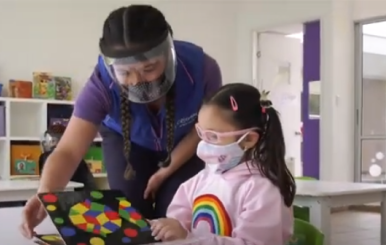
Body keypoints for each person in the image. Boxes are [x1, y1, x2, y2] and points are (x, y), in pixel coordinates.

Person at [20, 4, 222, 239]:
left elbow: (204, 130)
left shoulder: (203, 70)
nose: (137, 81)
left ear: (168, 54)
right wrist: (46, 194)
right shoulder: (100, 87)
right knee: (129, 218)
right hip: (126, 142)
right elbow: (68, 151)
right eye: (125, 73)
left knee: (176, 216)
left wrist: (165, 171)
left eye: (149, 68)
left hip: (186, 143)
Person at [149, 83, 296, 245]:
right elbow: (177, 223)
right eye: (201, 133)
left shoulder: (262, 189)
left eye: (212, 136)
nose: (203, 142)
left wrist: (188, 238)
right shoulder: (201, 180)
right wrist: (164, 229)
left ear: (248, 139)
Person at [39, 124, 96, 190]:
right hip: (85, 196)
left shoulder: (47, 156)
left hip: (71, 195)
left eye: (54, 141)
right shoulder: (77, 158)